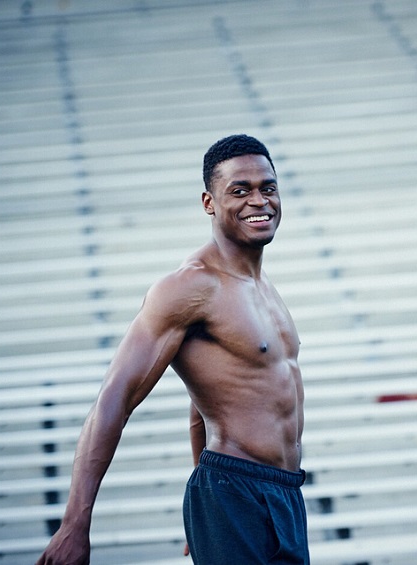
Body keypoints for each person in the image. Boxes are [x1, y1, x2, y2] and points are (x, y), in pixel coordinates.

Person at [36, 134, 309, 564]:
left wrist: (204, 517)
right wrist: (74, 524)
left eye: (267, 188)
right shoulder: (188, 287)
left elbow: (207, 399)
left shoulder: (265, 289)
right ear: (209, 203)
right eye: (240, 191)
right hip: (234, 492)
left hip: (284, 494)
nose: (259, 201)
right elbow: (114, 398)